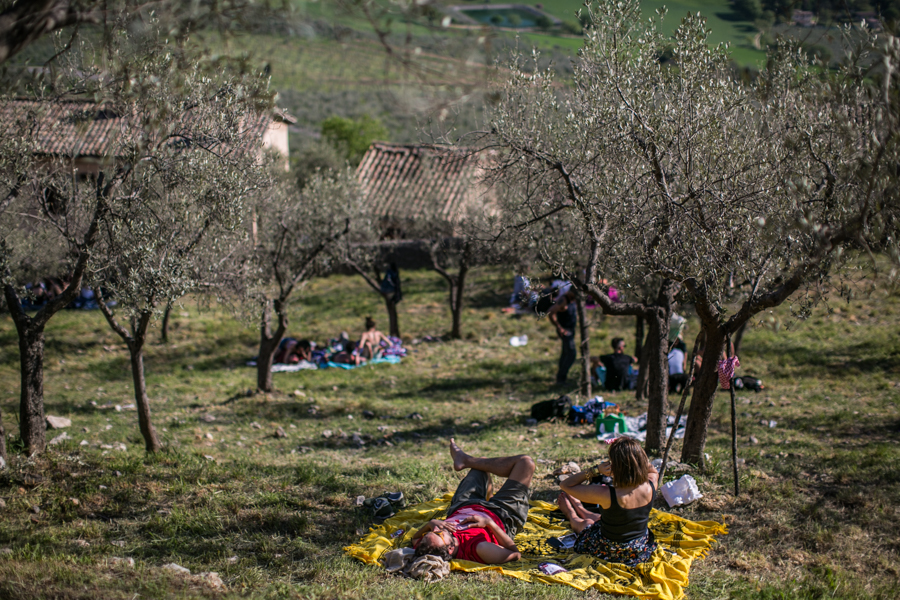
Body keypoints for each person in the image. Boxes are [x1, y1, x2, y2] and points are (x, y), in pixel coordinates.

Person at [411, 439, 534, 565]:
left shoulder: (427, 546)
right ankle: (465, 460)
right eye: (439, 534)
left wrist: (429, 524)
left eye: (432, 532)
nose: (437, 528)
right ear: (450, 549)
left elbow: (415, 539)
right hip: (502, 513)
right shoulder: (479, 548)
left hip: (464, 505)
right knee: (526, 463)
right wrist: (489, 523)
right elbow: (515, 554)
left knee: (482, 463)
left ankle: (466, 461)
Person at [557, 437, 659, 566]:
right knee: (607, 518)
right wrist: (636, 457)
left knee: (587, 523)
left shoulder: (607, 494)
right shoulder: (650, 485)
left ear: (614, 467)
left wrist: (595, 470)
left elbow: (566, 485)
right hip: (639, 548)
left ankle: (571, 512)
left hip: (610, 550)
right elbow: (653, 470)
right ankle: (580, 508)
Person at [547, 289, 578, 387]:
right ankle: (561, 379)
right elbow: (551, 312)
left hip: (571, 330)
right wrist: (559, 327)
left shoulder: (573, 300)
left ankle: (560, 378)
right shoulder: (563, 300)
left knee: (565, 354)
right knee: (571, 354)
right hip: (565, 331)